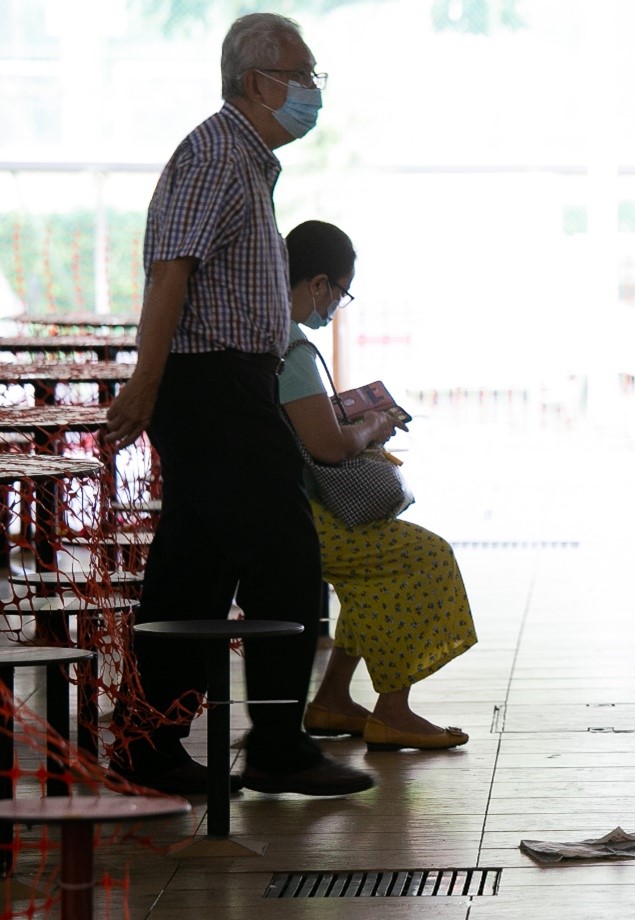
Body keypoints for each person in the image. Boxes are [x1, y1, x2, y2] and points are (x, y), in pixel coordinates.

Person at [103, 14, 373, 796]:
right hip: (209, 385)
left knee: (192, 571)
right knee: (287, 554)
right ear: (258, 82)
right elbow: (169, 273)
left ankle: (148, 745)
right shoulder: (218, 154)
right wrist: (145, 386)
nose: (312, 92)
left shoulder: (247, 162)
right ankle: (279, 745)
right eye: (302, 74)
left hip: (230, 382)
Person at [276, 220, 478, 752]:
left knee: (372, 579)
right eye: (339, 292)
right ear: (318, 284)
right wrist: (374, 425)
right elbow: (328, 446)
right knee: (423, 557)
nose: (335, 305)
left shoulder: (267, 334)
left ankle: (334, 699)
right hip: (301, 518)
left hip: (286, 506)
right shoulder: (290, 350)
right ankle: (393, 710)